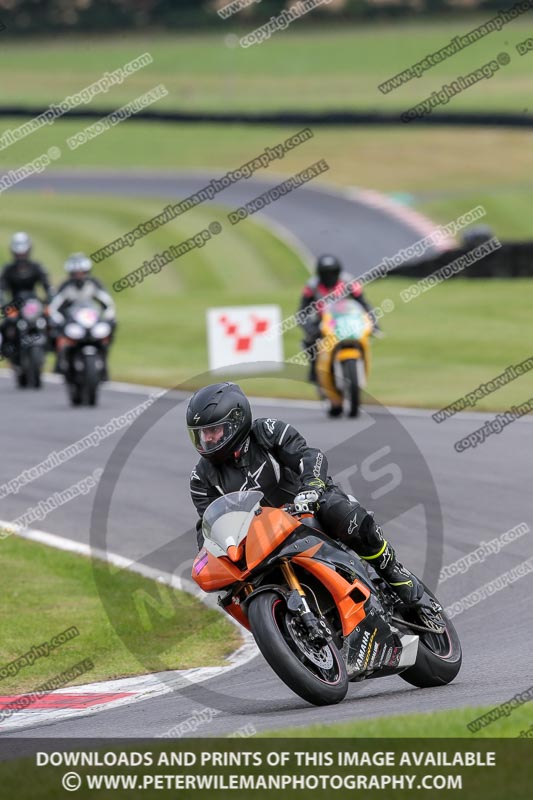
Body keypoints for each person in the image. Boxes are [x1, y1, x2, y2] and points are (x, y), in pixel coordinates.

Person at [187, 382, 443, 627]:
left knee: (339, 510)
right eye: (201, 434)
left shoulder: (267, 432)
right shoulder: (201, 478)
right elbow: (209, 524)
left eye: (213, 431)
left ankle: (393, 572)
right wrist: (210, 554)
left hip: (305, 507)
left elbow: (310, 456)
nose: (207, 439)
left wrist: (311, 488)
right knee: (237, 590)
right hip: (260, 542)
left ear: (236, 421)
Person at [298, 254, 380, 384]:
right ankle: (314, 371)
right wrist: (309, 328)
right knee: (310, 342)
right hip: (323, 320)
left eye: (332, 273)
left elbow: (363, 303)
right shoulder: (312, 286)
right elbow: (302, 311)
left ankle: (359, 367)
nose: (329, 277)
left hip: (347, 318)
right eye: (325, 274)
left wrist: (373, 321)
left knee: (364, 337)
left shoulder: (348, 281)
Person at [48, 253, 116, 377]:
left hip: (90, 320)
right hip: (72, 321)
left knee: (107, 331)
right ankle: (61, 362)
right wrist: (59, 320)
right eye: (76, 273)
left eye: (81, 272)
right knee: (57, 333)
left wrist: (108, 317)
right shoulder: (66, 286)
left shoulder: (94, 284)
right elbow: (54, 307)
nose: (79, 276)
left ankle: (103, 364)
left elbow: (107, 303)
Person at [0, 233, 52, 360]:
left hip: (33, 304)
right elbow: (1, 288)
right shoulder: (8, 269)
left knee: (51, 322)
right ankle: (7, 350)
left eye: (23, 252)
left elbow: (47, 287)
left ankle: (54, 353)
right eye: (18, 253)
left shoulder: (36, 267)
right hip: (13, 305)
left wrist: (49, 299)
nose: (21, 255)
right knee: (6, 323)